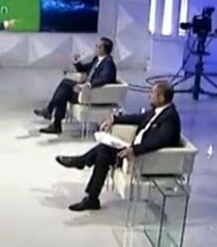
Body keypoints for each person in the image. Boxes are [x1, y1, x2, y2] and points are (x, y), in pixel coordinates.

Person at [54, 80, 181, 211]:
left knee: (104, 152)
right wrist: (115, 119)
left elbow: (160, 141)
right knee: (103, 153)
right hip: (134, 149)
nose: (149, 95)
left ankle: (81, 165)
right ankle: (91, 197)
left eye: (152, 92)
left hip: (143, 156)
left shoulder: (170, 118)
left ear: (161, 97)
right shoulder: (159, 111)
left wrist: (134, 150)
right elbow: (138, 118)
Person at [35, 37, 118, 134]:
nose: (94, 48)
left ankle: (50, 113)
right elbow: (84, 68)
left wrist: (89, 84)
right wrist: (77, 62)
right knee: (64, 91)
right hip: (85, 91)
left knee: (65, 86)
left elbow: (104, 79)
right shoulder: (97, 60)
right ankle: (55, 122)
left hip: (93, 95)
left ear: (102, 49)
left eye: (97, 46)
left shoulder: (108, 64)